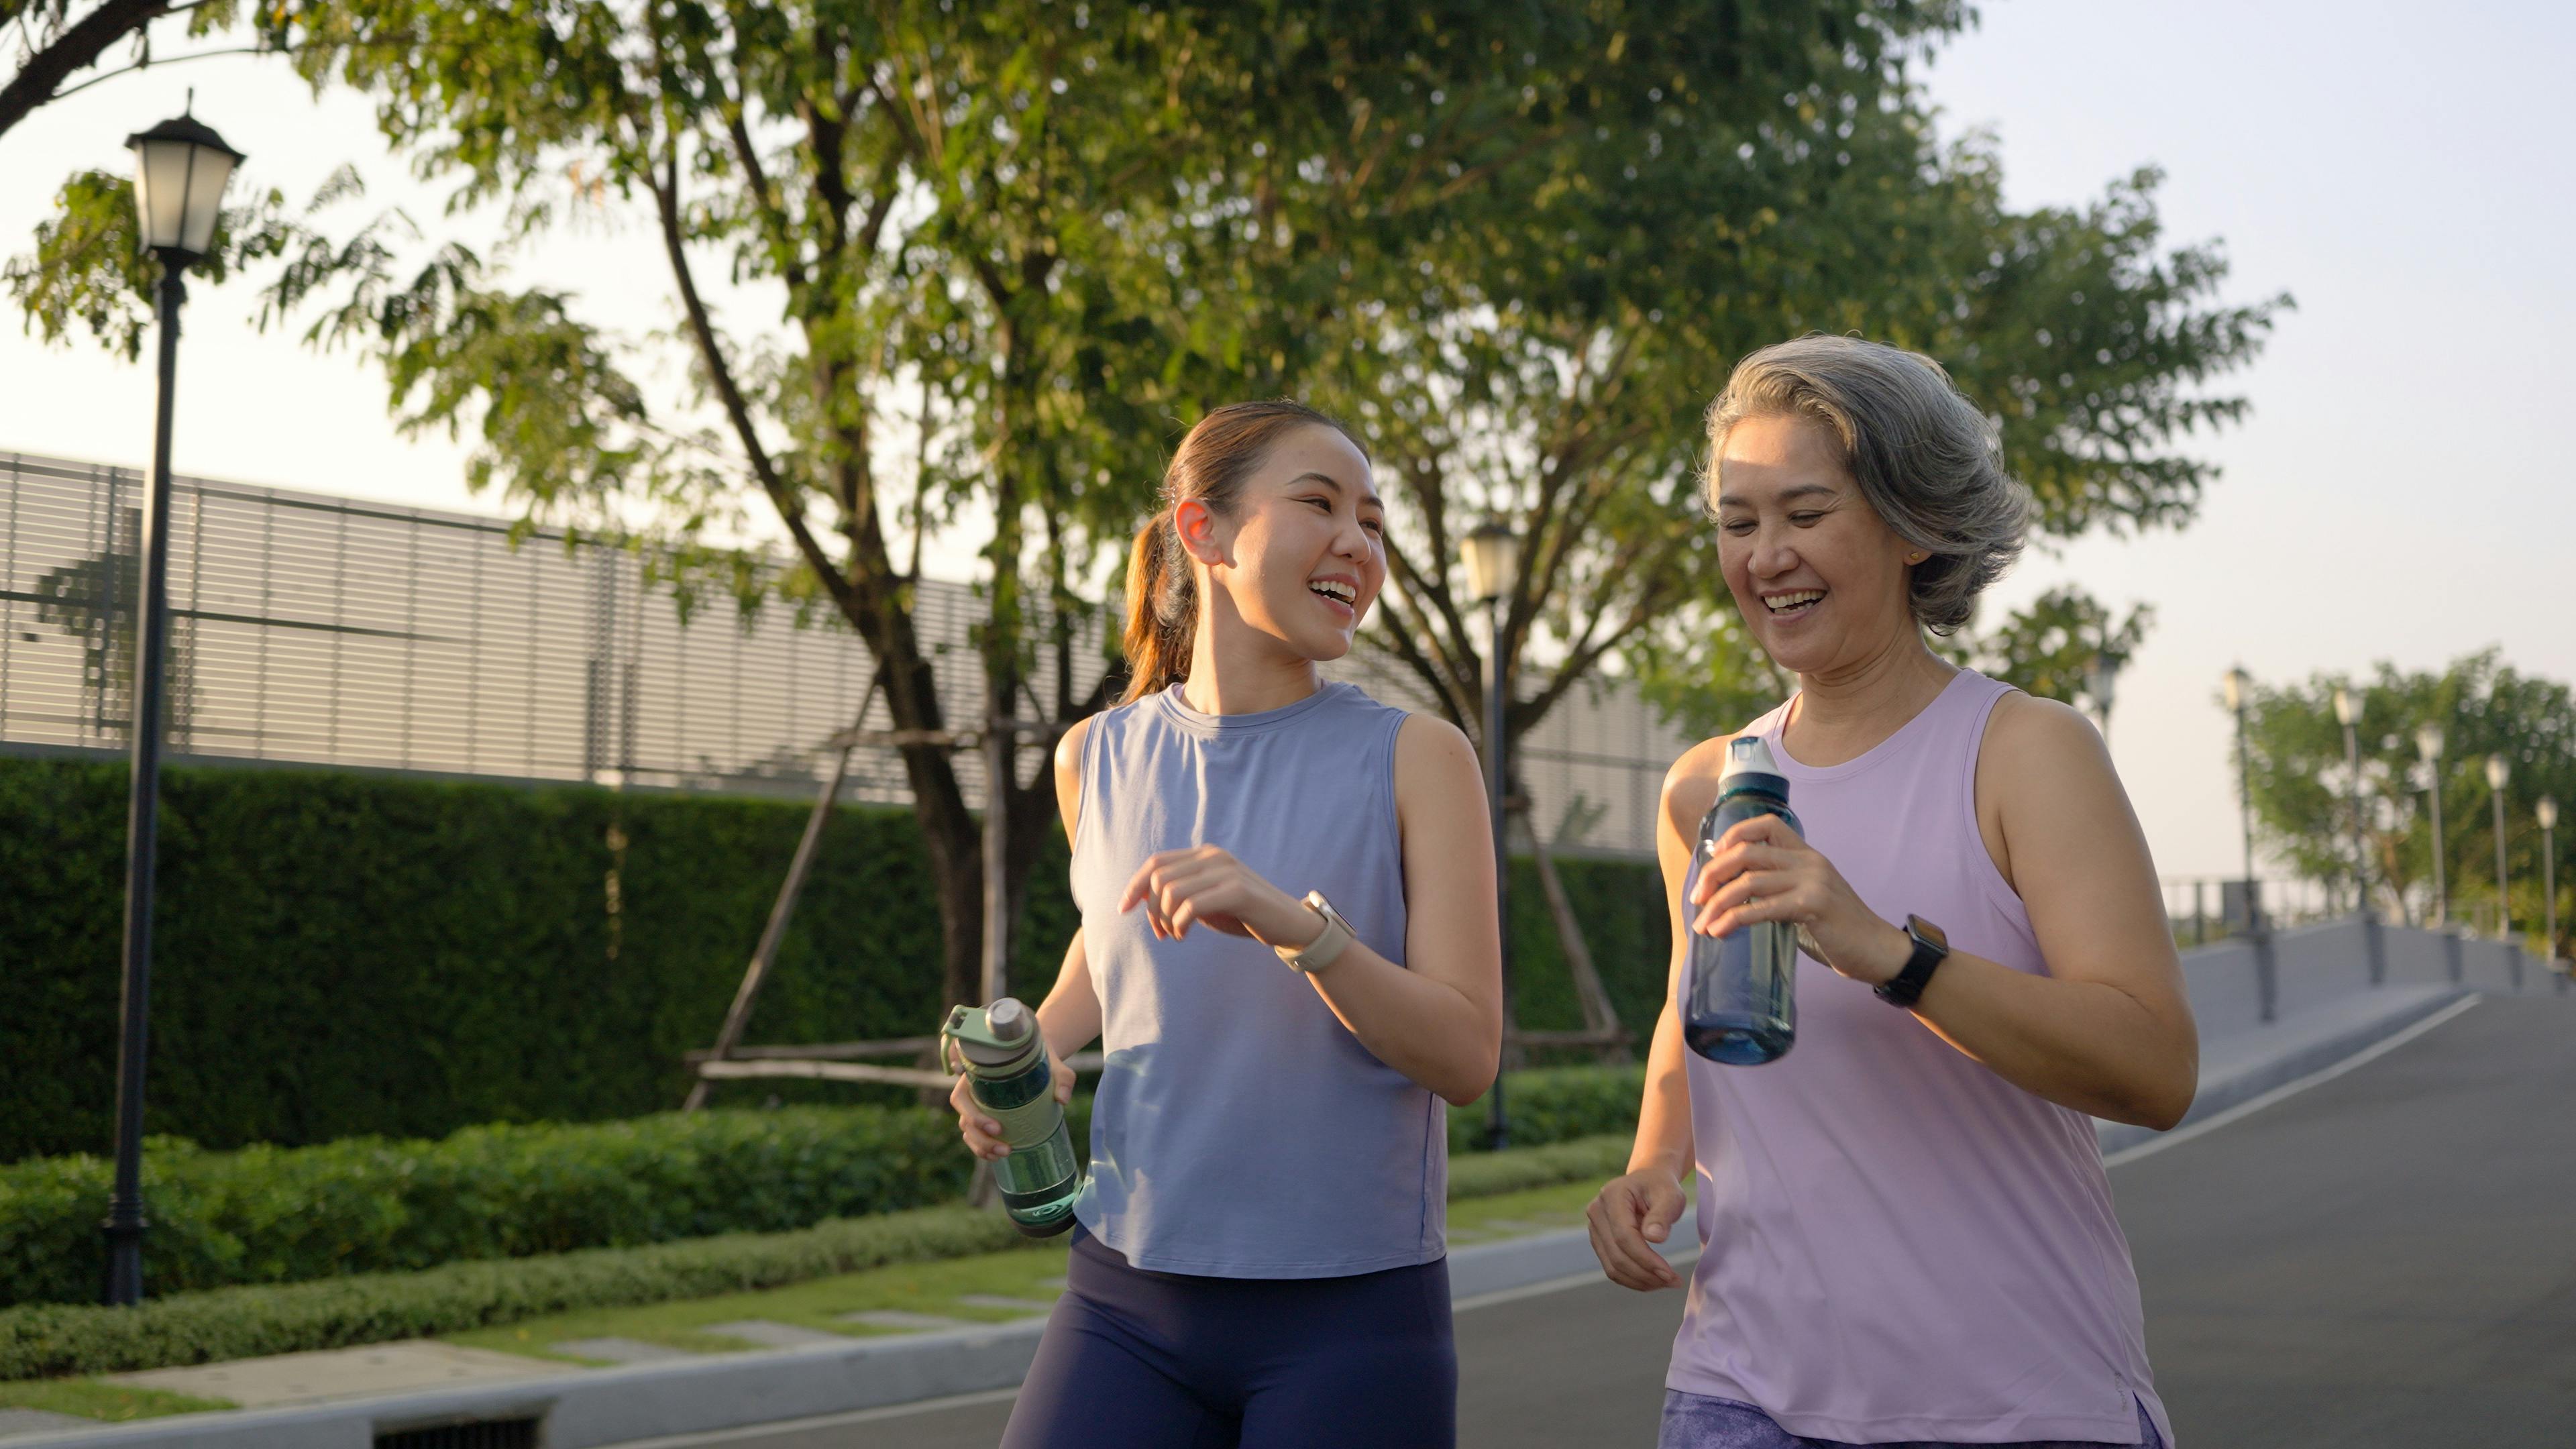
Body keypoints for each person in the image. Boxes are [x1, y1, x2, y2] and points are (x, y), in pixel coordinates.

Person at [1587, 336, 2197, 1448]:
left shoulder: (2027, 752)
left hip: (2019, 1403)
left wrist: (1891, 954)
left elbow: (2155, 1067)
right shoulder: (1703, 791)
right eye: (1739, 522)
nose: (1767, 556)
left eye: (1806, 514)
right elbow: (1692, 1024)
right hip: (1741, 1398)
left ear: (1916, 526)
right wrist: (1649, 1168)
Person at [951, 400, 1503, 1449]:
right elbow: (1112, 944)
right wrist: (1041, 1051)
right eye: (1320, 504)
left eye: (1374, 522)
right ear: (1203, 533)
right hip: (1123, 1299)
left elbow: (1467, 1053)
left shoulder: (1419, 757)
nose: (1360, 542)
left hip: (1352, 1317)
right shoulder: (1094, 757)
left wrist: (1297, 928)